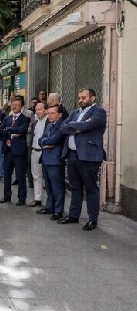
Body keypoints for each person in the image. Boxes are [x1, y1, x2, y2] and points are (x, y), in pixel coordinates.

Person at [58, 88, 107, 231]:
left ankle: (92, 220)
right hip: (72, 154)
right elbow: (62, 127)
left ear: (93, 98)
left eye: (84, 97)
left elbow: (88, 125)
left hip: (89, 156)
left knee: (91, 188)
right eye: (79, 98)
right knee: (75, 187)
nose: (80, 100)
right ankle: (74, 216)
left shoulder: (99, 112)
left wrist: (75, 127)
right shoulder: (74, 113)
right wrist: (78, 128)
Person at [37, 104, 67, 220]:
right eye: (48, 113)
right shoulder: (49, 125)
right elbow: (41, 140)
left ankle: (58, 211)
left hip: (55, 160)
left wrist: (46, 141)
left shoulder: (62, 125)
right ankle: (49, 207)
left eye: (52, 113)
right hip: (46, 158)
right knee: (48, 186)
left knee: (57, 187)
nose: (50, 115)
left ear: (59, 114)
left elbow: (55, 139)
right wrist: (46, 143)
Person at [0, 96, 31, 205]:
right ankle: (6, 196)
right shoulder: (7, 118)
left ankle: (22, 198)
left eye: (17, 105)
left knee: (20, 175)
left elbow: (22, 130)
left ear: (21, 106)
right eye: (13, 105)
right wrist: (13, 132)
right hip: (8, 150)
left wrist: (9, 130)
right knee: (7, 175)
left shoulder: (25, 118)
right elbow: (1, 130)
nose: (14, 106)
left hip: (19, 152)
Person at [29, 102, 48, 207]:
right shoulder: (35, 123)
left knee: (48, 178)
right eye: (36, 110)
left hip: (45, 152)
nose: (37, 112)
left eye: (40, 109)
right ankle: (37, 198)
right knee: (36, 176)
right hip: (34, 151)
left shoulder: (49, 122)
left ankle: (51, 202)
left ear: (45, 110)